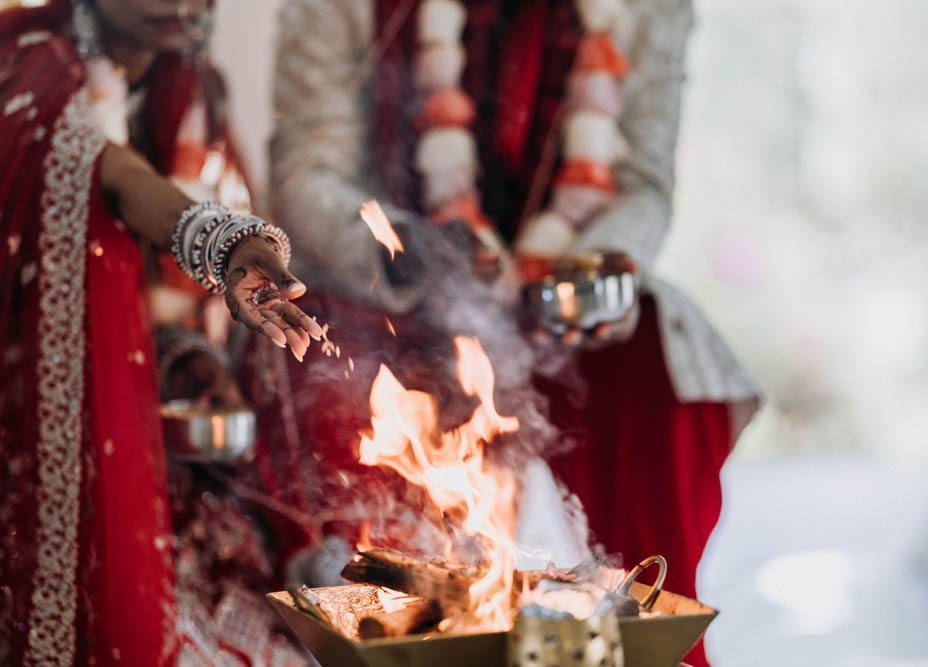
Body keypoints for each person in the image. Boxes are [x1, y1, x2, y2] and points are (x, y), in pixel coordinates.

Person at [269, 1, 760, 665]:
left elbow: (643, 186)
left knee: (650, 365)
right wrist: (396, 246)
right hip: (392, 295)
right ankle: (372, 610)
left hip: (557, 300)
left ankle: (640, 639)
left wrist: (586, 276)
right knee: (312, 350)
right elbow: (307, 174)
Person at [0, 1, 321, 664]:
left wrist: (181, 356)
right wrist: (222, 245)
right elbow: (111, 174)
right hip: (4, 448)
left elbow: (145, 297)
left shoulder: (195, 91)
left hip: (159, 460)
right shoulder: (16, 70)